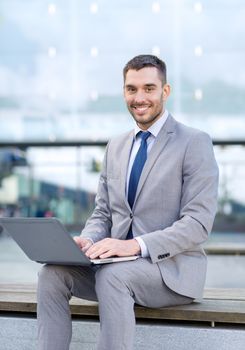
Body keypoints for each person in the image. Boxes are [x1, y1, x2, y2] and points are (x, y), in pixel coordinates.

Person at [37, 54, 219, 350]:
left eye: (149, 88)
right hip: (114, 265)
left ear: (165, 91)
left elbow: (197, 225)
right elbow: (103, 212)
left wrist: (134, 245)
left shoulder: (194, 142)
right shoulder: (116, 146)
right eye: (131, 89)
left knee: (113, 276)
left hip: (170, 273)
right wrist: (87, 240)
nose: (139, 97)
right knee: (52, 273)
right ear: (124, 92)